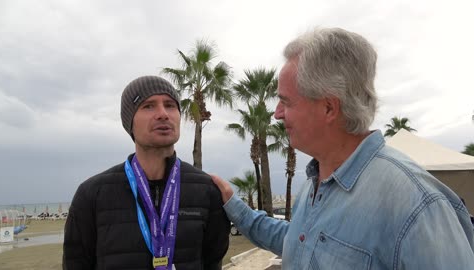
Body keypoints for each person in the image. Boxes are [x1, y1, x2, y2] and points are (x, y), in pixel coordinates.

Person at [211, 27, 474, 269]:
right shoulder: (316, 182)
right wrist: (235, 206)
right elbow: (298, 241)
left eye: (286, 102)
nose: (277, 114)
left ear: (328, 107)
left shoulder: (418, 206)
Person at [63, 75, 230, 270]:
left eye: (170, 105)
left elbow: (212, 261)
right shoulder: (92, 194)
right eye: (148, 106)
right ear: (129, 122)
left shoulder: (206, 190)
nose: (162, 114)